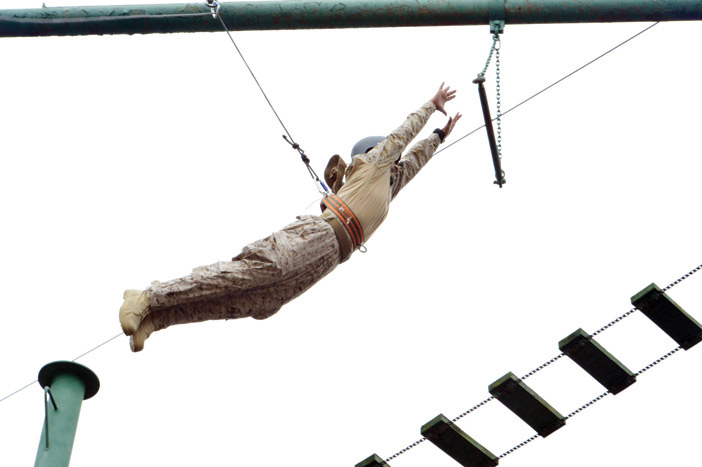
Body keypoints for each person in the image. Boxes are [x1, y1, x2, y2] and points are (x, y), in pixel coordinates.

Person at [119, 83, 462, 352]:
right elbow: (403, 135)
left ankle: (159, 318)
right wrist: (431, 106)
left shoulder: (388, 185)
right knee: (261, 271)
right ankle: (148, 297)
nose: (397, 161)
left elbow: (414, 162)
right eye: (392, 155)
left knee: (264, 301)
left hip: (332, 256)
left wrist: (440, 136)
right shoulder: (372, 163)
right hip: (321, 233)